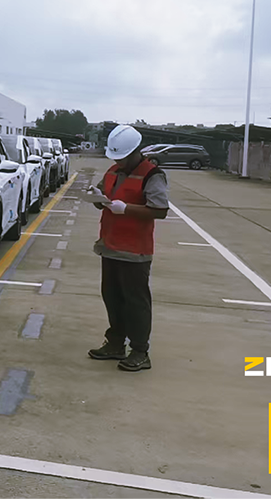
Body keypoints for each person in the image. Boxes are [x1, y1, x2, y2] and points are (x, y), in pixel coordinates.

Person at [86, 125, 168, 372]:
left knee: (136, 302)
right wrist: (96, 197)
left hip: (135, 250)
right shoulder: (113, 171)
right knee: (112, 297)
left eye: (122, 157)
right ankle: (115, 343)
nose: (118, 161)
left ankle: (140, 351)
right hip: (110, 245)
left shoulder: (152, 174)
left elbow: (160, 210)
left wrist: (126, 209)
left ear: (135, 152)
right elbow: (103, 194)